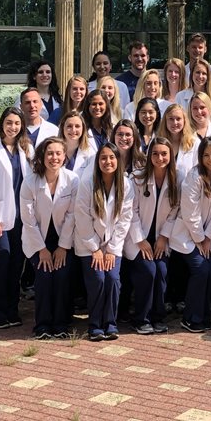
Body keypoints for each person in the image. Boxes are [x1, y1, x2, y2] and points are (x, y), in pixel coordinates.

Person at [74, 142, 134, 341]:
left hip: (112, 245)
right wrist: (95, 248)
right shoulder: (87, 183)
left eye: (112, 157)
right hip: (88, 245)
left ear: (118, 160)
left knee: (113, 280)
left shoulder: (126, 184)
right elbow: (81, 218)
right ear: (97, 161)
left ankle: (110, 323)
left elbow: (125, 219)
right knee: (98, 279)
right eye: (103, 158)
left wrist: (111, 249)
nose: (108, 161)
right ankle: (95, 324)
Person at [170, 137, 211, 332]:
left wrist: (208, 236)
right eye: (206, 155)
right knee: (201, 269)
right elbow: (190, 214)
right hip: (187, 235)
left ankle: (203, 315)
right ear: (200, 157)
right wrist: (200, 239)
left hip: (207, 236)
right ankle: (190, 317)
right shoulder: (194, 177)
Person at [20, 137, 77, 340]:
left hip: (64, 241)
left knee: (62, 276)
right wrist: (41, 250)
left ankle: (61, 324)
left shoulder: (73, 180)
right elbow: (28, 220)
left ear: (64, 156)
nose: (54, 157)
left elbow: (72, 216)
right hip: (38, 242)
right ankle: (42, 325)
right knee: (44, 276)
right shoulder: (30, 182)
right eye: (49, 153)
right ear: (42, 156)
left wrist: (62, 247)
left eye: (58, 153)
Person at [0, 107, 32, 329]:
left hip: (21, 218)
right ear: (2, 124)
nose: (13, 127)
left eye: (17, 123)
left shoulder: (25, 149)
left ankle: (12, 309)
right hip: (0, 218)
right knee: (0, 262)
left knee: (16, 265)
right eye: (9, 123)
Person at [126, 137, 181, 335]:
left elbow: (176, 211)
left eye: (164, 154)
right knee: (148, 271)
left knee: (161, 271)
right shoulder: (137, 178)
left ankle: (158, 317)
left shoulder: (177, 178)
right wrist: (140, 240)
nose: (160, 158)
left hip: (160, 240)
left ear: (171, 156)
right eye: (155, 154)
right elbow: (130, 212)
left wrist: (163, 237)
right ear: (149, 156)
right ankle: (141, 318)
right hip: (136, 239)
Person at [162, 103, 200, 176]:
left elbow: (198, 171)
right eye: (171, 119)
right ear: (165, 121)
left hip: (188, 186)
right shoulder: (157, 142)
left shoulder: (194, 143)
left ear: (184, 120)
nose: (175, 122)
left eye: (178, 119)